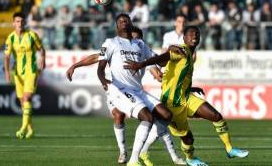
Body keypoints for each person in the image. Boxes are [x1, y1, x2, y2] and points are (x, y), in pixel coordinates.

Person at [124, 26, 249, 166]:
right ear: (184, 38)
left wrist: (192, 87)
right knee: (187, 138)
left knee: (216, 116)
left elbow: (180, 76)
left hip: (187, 97)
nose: (194, 35)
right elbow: (161, 60)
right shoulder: (181, 51)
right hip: (172, 103)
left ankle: (229, 149)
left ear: (200, 38)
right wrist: (141, 64)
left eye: (197, 34)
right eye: (190, 34)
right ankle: (189, 159)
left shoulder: (189, 53)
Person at [66, 25, 185, 165]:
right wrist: (76, 65)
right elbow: (96, 57)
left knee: (162, 116)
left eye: (135, 38)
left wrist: (160, 74)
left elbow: (156, 69)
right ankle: (123, 151)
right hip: (116, 89)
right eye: (131, 36)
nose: (132, 39)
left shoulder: (141, 50)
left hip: (136, 91)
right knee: (119, 114)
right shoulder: (116, 46)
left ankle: (151, 151)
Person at [4, 12, 46, 139]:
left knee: (27, 98)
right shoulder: (10, 38)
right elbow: (6, 57)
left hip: (31, 70)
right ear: (13, 23)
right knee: (23, 102)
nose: (20, 23)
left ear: (25, 23)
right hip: (18, 73)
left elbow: (41, 49)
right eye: (17, 21)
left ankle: (22, 129)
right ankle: (30, 129)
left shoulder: (32, 35)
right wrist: (7, 72)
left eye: (22, 21)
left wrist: (43, 59)